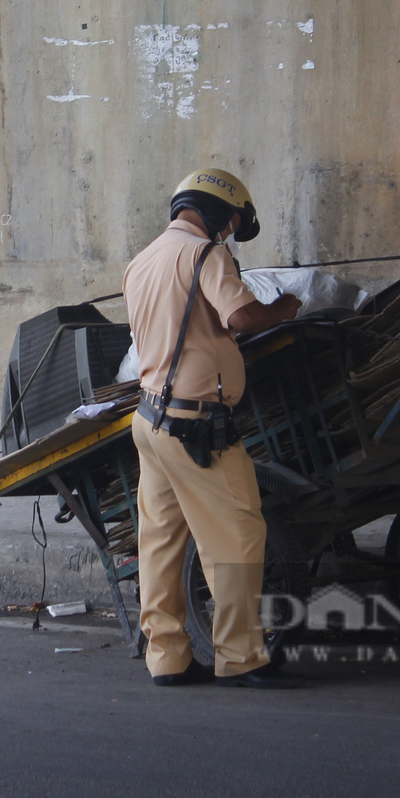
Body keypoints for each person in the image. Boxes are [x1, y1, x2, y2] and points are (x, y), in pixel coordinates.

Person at [123, 169, 303, 689]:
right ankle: (241, 657)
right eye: (231, 223)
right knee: (240, 535)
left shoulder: (142, 261)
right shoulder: (205, 255)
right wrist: (284, 308)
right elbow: (243, 319)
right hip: (197, 427)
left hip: (151, 419)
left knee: (160, 544)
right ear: (219, 212)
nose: (228, 234)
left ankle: (168, 659)